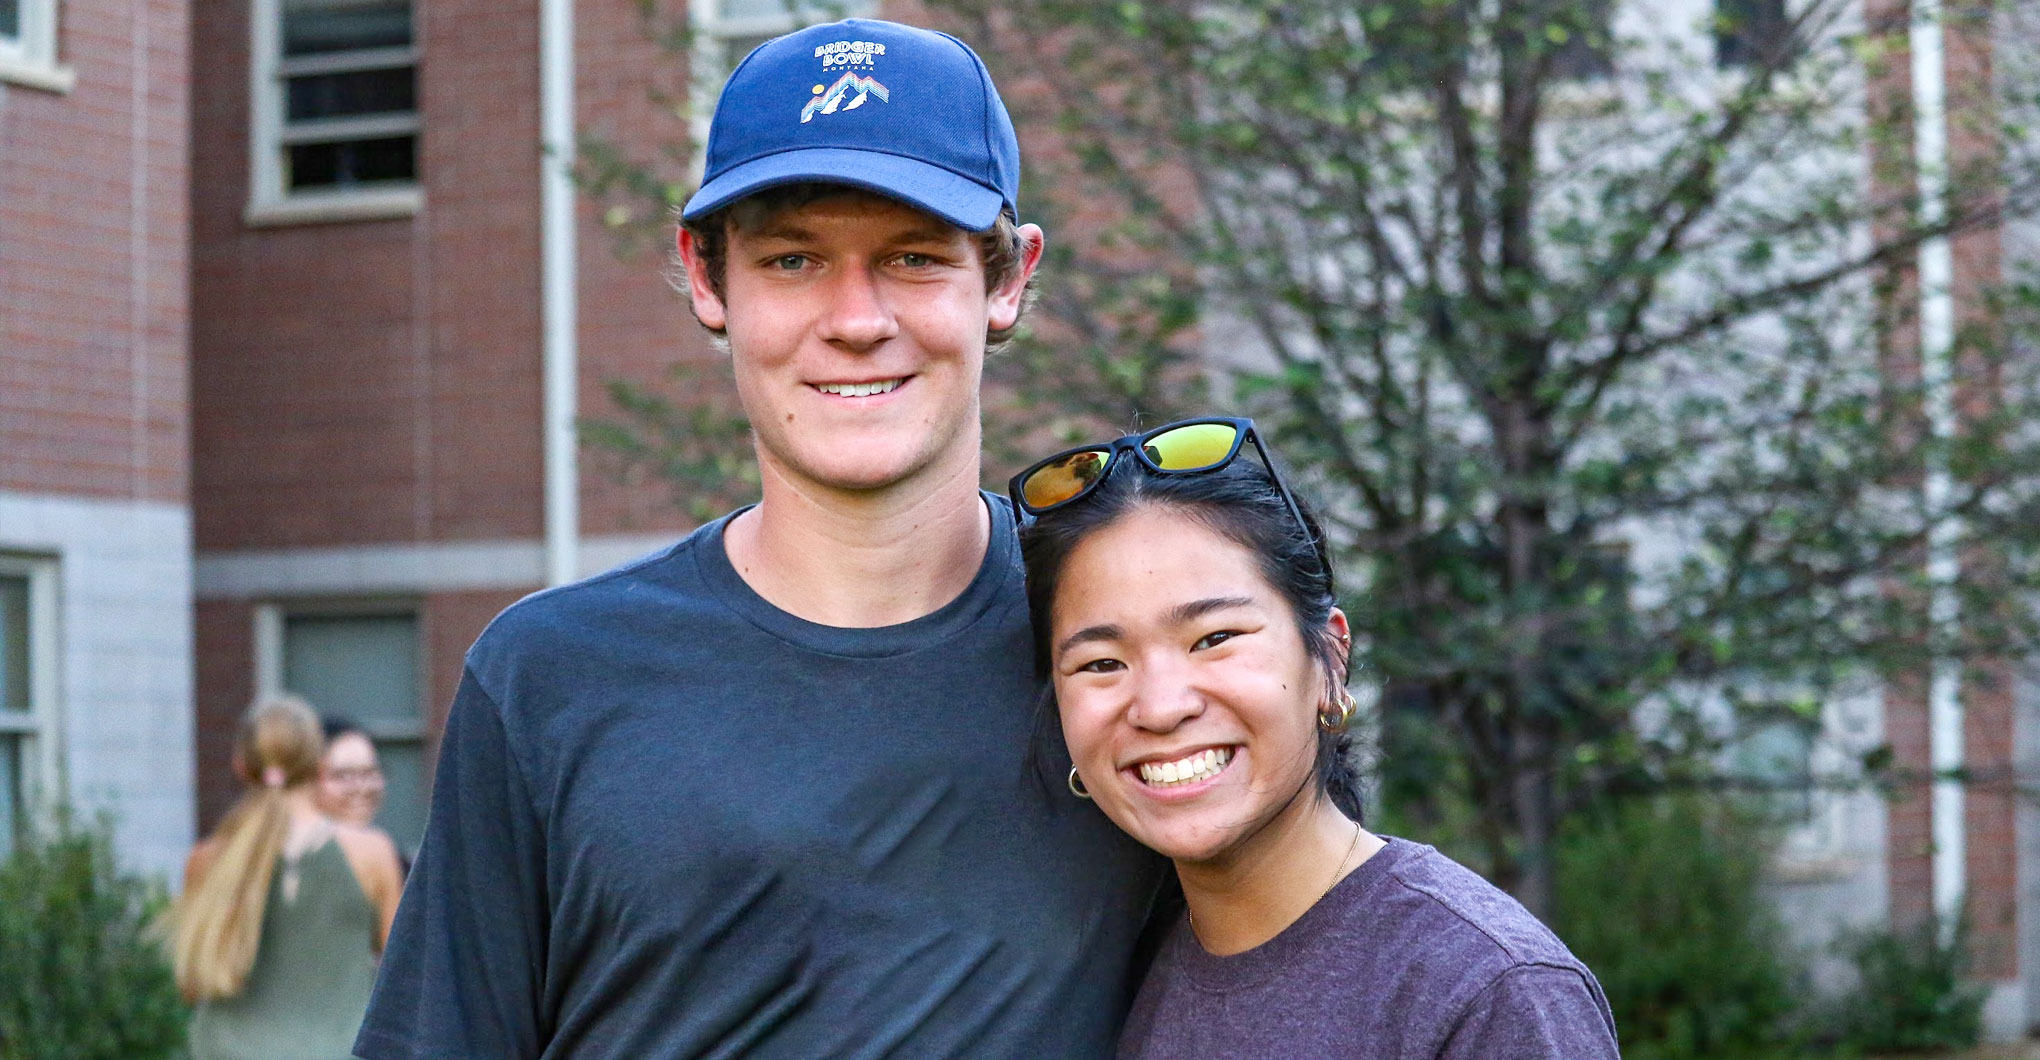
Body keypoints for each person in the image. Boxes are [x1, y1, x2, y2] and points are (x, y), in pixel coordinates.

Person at [353, 18, 1164, 1060]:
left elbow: (1326, 937)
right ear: (706, 275)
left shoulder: (1120, 655)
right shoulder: (550, 679)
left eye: (914, 256)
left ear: (1005, 280)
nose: (856, 317)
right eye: (793, 259)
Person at [1012, 418, 1622, 1059]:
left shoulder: (1485, 992)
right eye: (1102, 663)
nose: (1162, 708)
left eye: (1215, 638)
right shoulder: (1119, 968)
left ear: (1330, 657)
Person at [173, 695, 405, 1060]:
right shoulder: (371, 853)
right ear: (319, 763)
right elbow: (402, 977)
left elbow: (191, 984)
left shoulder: (206, 860)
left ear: (240, 765)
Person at [317, 716, 409, 877]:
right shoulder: (296, 866)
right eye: (343, 775)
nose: (362, 787)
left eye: (370, 772)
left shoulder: (398, 865)